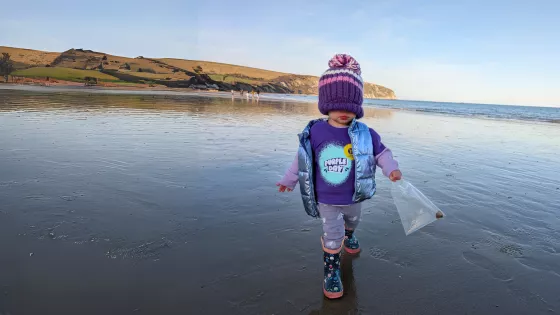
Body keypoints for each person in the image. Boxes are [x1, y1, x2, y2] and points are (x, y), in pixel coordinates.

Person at [276, 54, 402, 300]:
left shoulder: (366, 133)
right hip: (326, 199)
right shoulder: (316, 131)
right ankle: (331, 272)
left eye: (350, 107)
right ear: (326, 104)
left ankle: (351, 234)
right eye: (337, 105)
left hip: (355, 195)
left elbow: (382, 153)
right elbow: (301, 159)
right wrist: (288, 179)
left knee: (352, 222)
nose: (344, 112)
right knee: (333, 236)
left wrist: (391, 168)